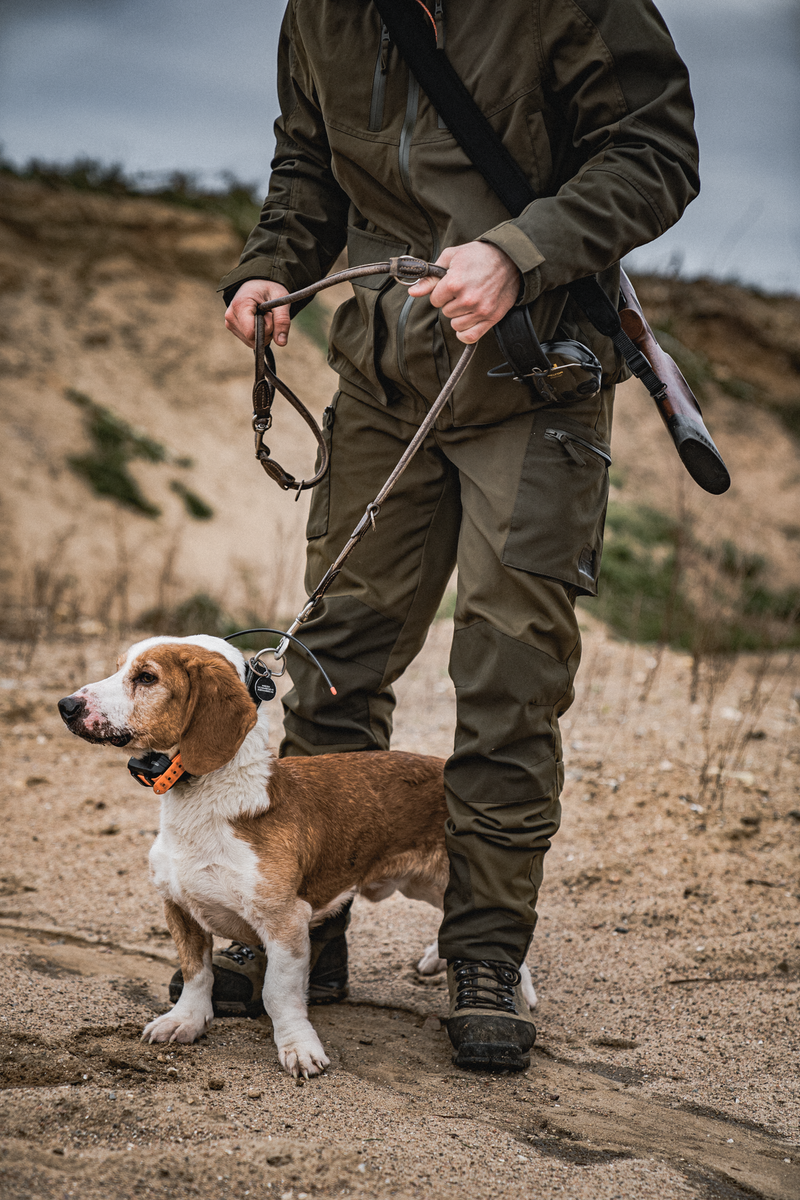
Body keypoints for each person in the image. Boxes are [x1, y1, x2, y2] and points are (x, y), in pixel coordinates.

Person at [171, 0, 699, 1072]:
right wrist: (270, 263)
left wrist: (520, 248)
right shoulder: (317, 11)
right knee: (329, 665)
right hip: (380, 377)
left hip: (537, 375)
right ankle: (297, 929)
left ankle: (485, 951)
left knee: (509, 675)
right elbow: (305, 161)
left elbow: (654, 152)